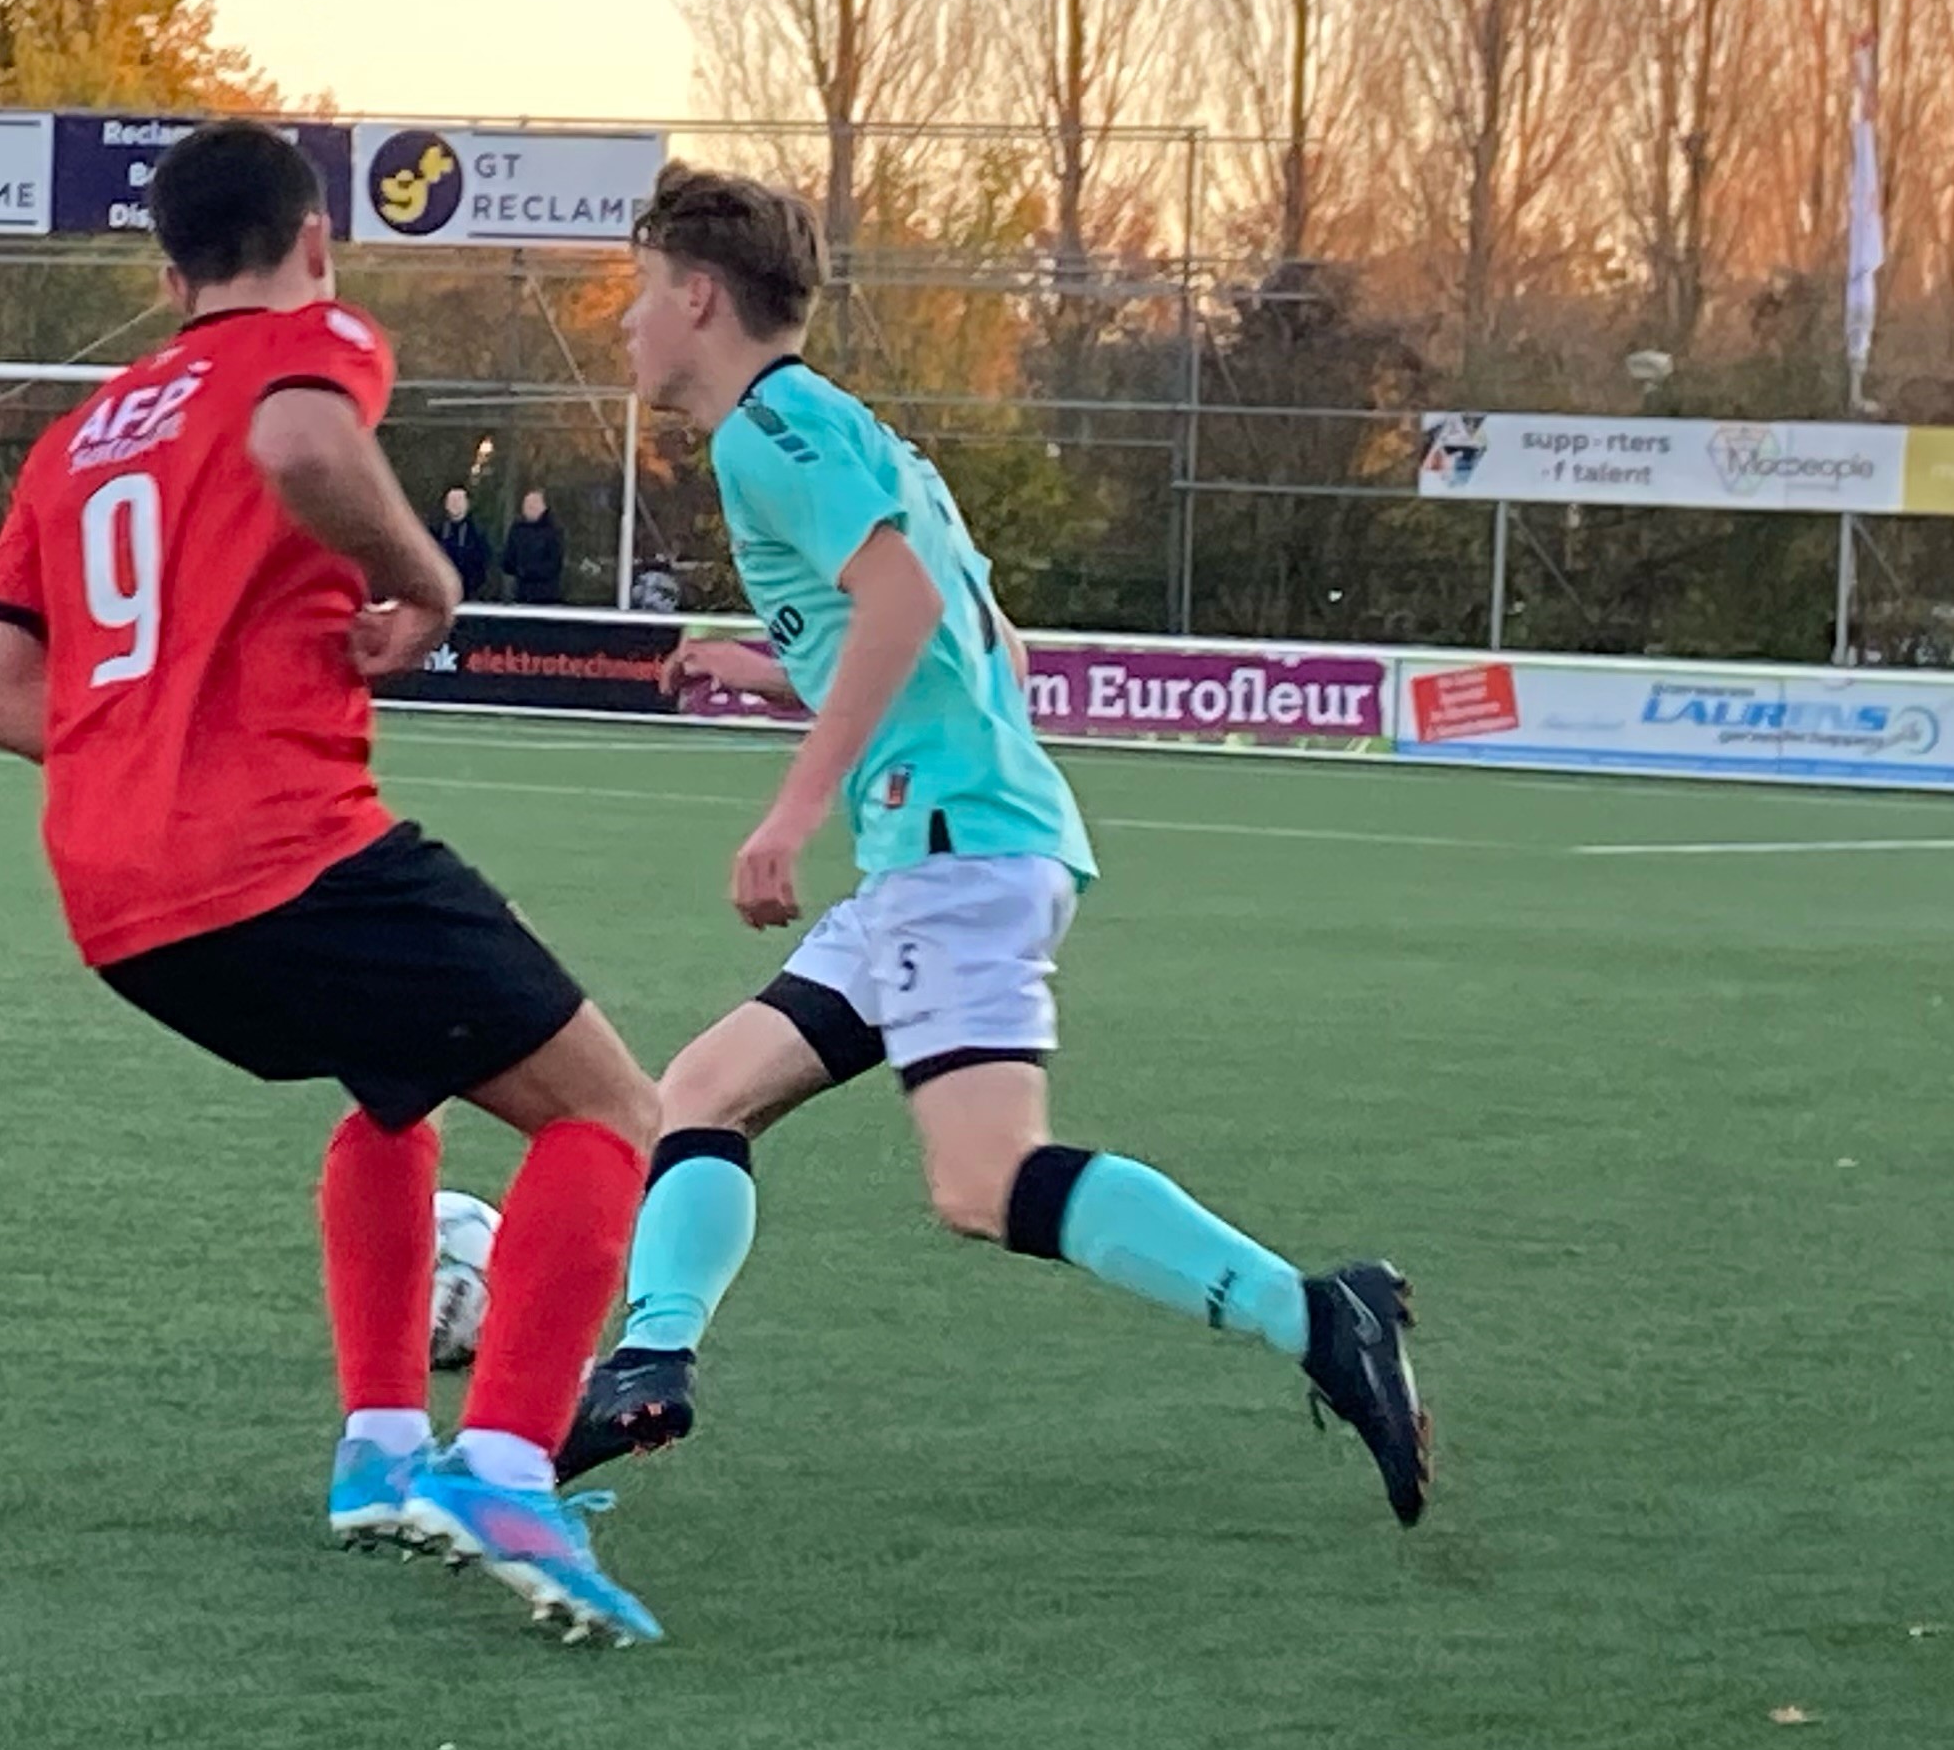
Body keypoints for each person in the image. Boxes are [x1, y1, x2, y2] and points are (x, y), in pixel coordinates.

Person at [556, 164, 1430, 1526]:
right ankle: (649, 1362)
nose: (626, 324)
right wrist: (760, 665)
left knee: (983, 1181)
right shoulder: (860, 438)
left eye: (640, 295)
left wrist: (792, 811)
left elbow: (901, 606)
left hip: (955, 859)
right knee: (705, 1090)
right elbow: (977, 645)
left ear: (700, 297)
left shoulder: (764, 432)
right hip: (947, 853)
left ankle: (1317, 1315)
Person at [0, 119, 671, 1646]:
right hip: (280, 844)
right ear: (317, 241)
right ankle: (511, 1463)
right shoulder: (307, 341)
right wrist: (433, 580)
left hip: (119, 899)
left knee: (399, 1085)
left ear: (163, 274)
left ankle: (380, 1450)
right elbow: (296, 443)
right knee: (614, 1113)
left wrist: (141, 752)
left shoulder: (75, 440)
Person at [500, 486, 566, 605]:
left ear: (544, 506)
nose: (530, 507)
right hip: (520, 596)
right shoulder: (517, 530)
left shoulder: (554, 530)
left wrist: (527, 571)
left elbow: (554, 564)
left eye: (535, 503)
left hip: (547, 598)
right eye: (527, 503)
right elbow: (507, 561)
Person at [433, 483, 495, 601]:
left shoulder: (479, 530)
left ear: (467, 503)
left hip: (471, 596)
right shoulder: (436, 529)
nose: (455, 503)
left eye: (459, 499)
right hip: (442, 595)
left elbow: (485, 564)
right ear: (446, 504)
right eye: (452, 500)